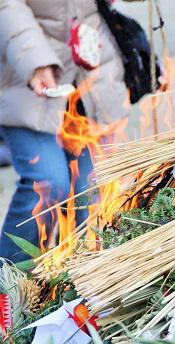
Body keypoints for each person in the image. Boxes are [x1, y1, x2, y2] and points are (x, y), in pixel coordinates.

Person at [0, 1, 130, 263]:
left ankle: (75, 286)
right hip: (26, 76)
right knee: (48, 182)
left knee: (90, 191)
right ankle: (8, 280)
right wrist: (36, 62)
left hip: (92, 76)